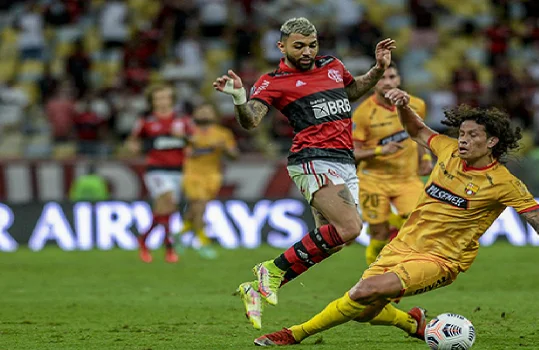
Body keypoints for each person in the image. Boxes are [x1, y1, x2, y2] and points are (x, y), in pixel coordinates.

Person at [252, 90, 539, 346]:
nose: (463, 140)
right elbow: (418, 132)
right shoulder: (448, 152)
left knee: (363, 291)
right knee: (363, 310)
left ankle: (294, 334)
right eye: (462, 133)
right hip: (402, 245)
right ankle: (413, 322)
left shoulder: (504, 184)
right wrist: (405, 107)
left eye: (472, 135)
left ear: (492, 142)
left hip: (442, 258)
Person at [212, 17, 395, 329]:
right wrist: (240, 99)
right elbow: (251, 120)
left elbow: (351, 92)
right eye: (299, 46)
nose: (307, 51)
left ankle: (256, 290)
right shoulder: (273, 81)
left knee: (336, 240)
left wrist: (377, 70)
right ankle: (270, 269)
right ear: (281, 46)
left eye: (312, 45)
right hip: (312, 158)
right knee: (351, 227)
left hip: (343, 159)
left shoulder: (333, 65)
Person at [351, 63, 432, 265]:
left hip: (407, 179)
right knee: (379, 232)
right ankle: (372, 268)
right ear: (373, 82)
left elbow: (419, 134)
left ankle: (405, 267)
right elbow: (352, 153)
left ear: (399, 79)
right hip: (373, 180)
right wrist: (379, 150)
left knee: (418, 223)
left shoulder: (417, 104)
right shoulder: (363, 113)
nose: (388, 82)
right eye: (382, 78)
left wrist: (425, 158)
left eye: (392, 77)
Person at [127, 84, 192, 264]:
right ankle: (169, 248)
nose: (163, 101)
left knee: (165, 209)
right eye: (158, 98)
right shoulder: (146, 121)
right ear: (152, 102)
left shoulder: (182, 120)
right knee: (168, 200)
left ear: (171, 99)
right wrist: (135, 147)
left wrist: (183, 139)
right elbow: (132, 143)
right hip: (156, 169)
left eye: (166, 97)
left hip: (178, 170)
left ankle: (144, 239)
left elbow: (193, 142)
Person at [172, 103, 238, 259]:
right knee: (200, 206)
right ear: (195, 114)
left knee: (195, 210)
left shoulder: (223, 134)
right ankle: (203, 243)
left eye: (207, 110)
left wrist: (225, 149)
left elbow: (235, 155)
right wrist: (207, 146)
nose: (204, 113)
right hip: (192, 174)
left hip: (213, 175)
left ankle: (179, 235)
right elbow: (188, 153)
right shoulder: (187, 132)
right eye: (201, 110)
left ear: (214, 115)